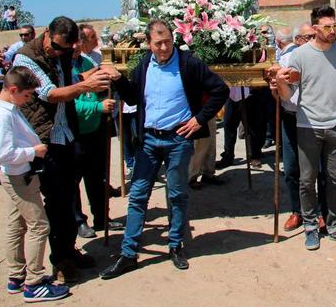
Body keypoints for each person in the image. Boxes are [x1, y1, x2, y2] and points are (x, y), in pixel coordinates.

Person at [100, 19, 229, 278]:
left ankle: (175, 245)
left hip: (178, 141)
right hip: (148, 140)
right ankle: (128, 253)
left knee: (177, 194)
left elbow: (220, 90)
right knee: (137, 195)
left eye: (168, 41)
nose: (163, 47)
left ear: (174, 39)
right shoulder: (144, 64)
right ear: (149, 43)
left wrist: (199, 120)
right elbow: (134, 97)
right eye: (158, 43)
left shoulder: (188, 63)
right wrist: (119, 81)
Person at [12, 16, 111, 283]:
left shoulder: (63, 55)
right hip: (45, 141)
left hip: (67, 135)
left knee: (68, 199)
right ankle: (60, 262)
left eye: (66, 50)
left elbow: (72, 78)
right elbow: (49, 93)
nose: (60, 53)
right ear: (47, 35)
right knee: (56, 203)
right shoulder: (26, 58)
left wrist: (99, 73)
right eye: (57, 48)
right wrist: (85, 86)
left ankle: (68, 251)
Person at [275, 5, 336, 251]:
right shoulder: (300, 55)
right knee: (307, 180)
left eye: (335, 26)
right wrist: (280, 83)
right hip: (307, 126)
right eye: (328, 27)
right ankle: (311, 227)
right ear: (315, 29)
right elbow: (288, 93)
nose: (333, 31)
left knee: (335, 178)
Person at [0, 66, 71, 302]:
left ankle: (16, 275)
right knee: (39, 225)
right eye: (26, 95)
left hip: (18, 174)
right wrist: (32, 151)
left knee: (17, 224)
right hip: (18, 175)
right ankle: (34, 282)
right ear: (13, 90)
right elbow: (2, 152)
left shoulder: (5, 108)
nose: (27, 100)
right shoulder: (3, 114)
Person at [272, 24, 328, 233]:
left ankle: (321, 212)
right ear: (298, 39)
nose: (313, 40)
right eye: (309, 37)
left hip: (313, 117)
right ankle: (298, 211)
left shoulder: (321, 57)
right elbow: (278, 91)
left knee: (319, 168)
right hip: (290, 117)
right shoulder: (286, 60)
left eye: (314, 36)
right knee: (292, 167)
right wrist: (275, 86)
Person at [70, 43, 120, 239]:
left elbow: (101, 88)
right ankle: (79, 221)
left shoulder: (87, 61)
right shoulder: (61, 67)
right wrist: (98, 107)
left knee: (98, 178)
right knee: (74, 181)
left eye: (77, 41)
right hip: (75, 134)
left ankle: (101, 217)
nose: (74, 46)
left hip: (95, 131)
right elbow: (68, 101)